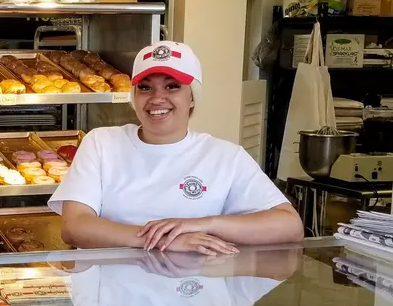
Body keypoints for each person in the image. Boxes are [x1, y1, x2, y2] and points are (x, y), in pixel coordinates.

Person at [48, 41, 303, 255]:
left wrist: (201, 225)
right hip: (110, 303)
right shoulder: (102, 143)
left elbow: (290, 226)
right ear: (134, 98)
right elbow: (75, 227)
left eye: (172, 86)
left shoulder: (224, 156)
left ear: (192, 97)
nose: (157, 98)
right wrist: (167, 241)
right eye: (145, 88)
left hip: (193, 303)